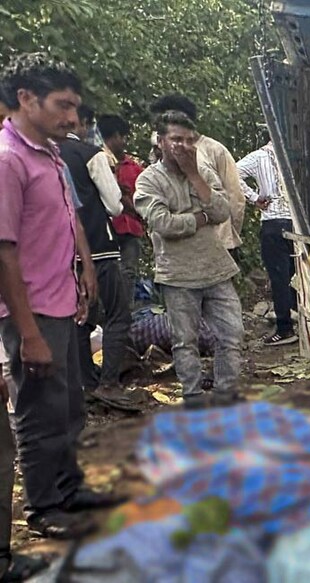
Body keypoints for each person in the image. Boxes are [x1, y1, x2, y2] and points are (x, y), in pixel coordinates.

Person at [0, 52, 124, 540]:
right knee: (39, 412)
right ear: (26, 99)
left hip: (63, 298)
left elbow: (71, 216)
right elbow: (4, 252)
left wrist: (87, 266)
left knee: (70, 403)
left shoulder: (49, 152)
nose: (73, 117)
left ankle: (68, 486)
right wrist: (28, 334)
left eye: (75, 107)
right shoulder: (8, 160)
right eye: (63, 105)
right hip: (31, 309)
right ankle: (43, 505)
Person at [135, 111, 244, 409]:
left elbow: (222, 212)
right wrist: (200, 217)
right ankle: (193, 397)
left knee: (232, 335)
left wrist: (195, 175)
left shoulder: (203, 173)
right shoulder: (149, 180)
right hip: (178, 275)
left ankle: (225, 394)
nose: (183, 146)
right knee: (185, 341)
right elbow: (163, 224)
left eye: (189, 140)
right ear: (160, 142)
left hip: (216, 269)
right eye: (175, 139)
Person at [60, 106, 137, 410]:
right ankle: (109, 384)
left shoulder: (46, 153)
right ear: (82, 123)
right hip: (99, 247)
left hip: (64, 255)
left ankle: (88, 385)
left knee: (80, 320)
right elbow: (115, 206)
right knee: (119, 314)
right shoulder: (90, 154)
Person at [148, 95, 246, 259]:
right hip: (177, 252)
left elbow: (235, 198)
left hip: (217, 247)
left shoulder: (214, 151)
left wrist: (229, 238)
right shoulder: (158, 157)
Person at [237, 137, 298, 346]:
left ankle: (285, 328)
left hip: (273, 221)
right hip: (297, 222)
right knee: (298, 273)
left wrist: (254, 198)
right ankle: (306, 320)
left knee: (279, 276)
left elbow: (232, 173)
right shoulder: (295, 155)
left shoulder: (259, 156)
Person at [98, 114, 146, 308]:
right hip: (109, 229)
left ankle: (126, 311)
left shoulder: (135, 169)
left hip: (131, 229)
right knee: (108, 271)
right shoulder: (98, 161)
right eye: (122, 137)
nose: (124, 142)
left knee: (129, 272)